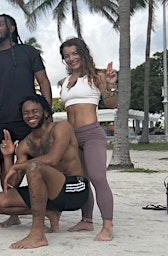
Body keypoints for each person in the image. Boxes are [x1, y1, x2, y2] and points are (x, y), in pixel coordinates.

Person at [0, 14, 52, 228]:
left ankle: (44, 208)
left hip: (29, 118)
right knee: (6, 164)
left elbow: (44, 82)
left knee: (37, 163)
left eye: (0, 24)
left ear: (12, 28)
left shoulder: (28, 52)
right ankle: (13, 211)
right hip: (1, 119)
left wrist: (46, 112)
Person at [0, 94, 89, 249]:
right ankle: (50, 212)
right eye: (26, 113)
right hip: (48, 193)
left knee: (34, 166)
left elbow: (53, 159)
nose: (30, 115)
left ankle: (37, 234)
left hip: (73, 189)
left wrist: (18, 166)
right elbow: (12, 183)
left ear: (45, 112)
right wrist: (8, 157)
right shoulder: (25, 144)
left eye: (35, 111)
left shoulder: (62, 127)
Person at [59, 37, 117, 241]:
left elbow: (111, 104)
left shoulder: (97, 77)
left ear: (83, 53)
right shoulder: (64, 82)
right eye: (66, 56)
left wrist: (110, 86)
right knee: (81, 180)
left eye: (75, 53)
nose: (71, 58)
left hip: (92, 133)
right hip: (72, 138)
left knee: (98, 177)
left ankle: (108, 225)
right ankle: (87, 220)